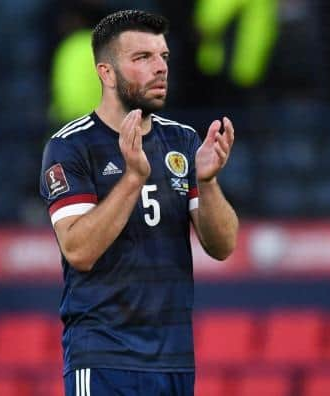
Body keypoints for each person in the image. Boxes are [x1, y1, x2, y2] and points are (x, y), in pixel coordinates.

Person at [39, 9, 239, 396]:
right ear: (107, 73)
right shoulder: (70, 147)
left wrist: (208, 182)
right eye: (142, 58)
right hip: (103, 357)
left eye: (163, 57)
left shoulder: (181, 140)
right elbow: (79, 250)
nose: (160, 68)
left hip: (174, 360)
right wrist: (133, 178)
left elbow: (223, 245)